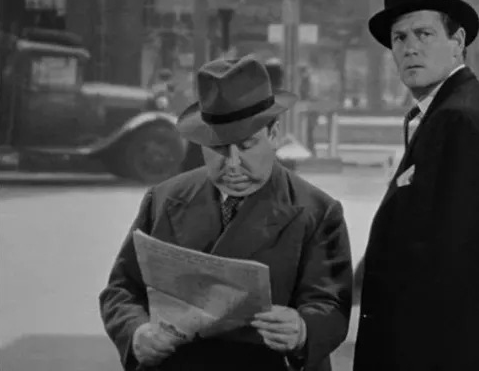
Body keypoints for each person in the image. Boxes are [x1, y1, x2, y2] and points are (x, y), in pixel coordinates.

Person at [99, 55, 353, 371]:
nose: (232, 164)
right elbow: (121, 290)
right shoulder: (163, 199)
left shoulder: (318, 211)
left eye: (246, 146)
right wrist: (137, 333)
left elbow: (331, 305)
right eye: (218, 148)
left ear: (274, 135)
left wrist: (302, 329)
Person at [353, 0, 479, 371]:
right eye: (399, 38)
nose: (409, 48)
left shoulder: (458, 121)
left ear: (458, 42)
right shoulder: (470, 110)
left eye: (424, 34)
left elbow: (441, 263)